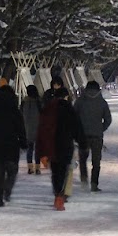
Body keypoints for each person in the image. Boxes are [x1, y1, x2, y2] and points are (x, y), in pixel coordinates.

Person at [36, 81, 84, 210]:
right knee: (64, 171)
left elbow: (42, 129)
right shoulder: (69, 109)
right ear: (66, 97)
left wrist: (41, 149)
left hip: (51, 145)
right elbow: (77, 127)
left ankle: (57, 193)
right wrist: (82, 141)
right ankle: (60, 196)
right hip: (65, 145)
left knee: (55, 172)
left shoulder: (48, 109)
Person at [0, 83, 26, 206]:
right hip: (11, 144)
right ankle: (7, 188)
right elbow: (21, 128)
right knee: (12, 170)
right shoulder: (15, 111)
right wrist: (23, 142)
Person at [74, 80, 112, 192]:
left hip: (83, 135)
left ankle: (84, 179)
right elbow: (108, 119)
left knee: (82, 159)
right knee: (96, 161)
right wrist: (101, 128)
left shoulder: (80, 101)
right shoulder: (102, 102)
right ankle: (94, 184)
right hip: (97, 136)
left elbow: (73, 117)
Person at [21, 83, 42, 175]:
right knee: (37, 149)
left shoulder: (24, 102)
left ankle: (30, 168)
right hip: (38, 128)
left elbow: (21, 114)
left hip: (27, 128)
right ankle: (37, 168)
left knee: (30, 149)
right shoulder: (38, 101)